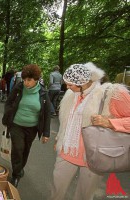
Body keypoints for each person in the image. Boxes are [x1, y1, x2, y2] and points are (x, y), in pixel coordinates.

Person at [51, 62, 130, 200]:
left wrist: (110, 122)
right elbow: (66, 121)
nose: (67, 87)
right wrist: (59, 139)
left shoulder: (111, 94)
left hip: (94, 156)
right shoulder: (70, 94)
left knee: (84, 195)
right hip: (66, 151)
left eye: (70, 84)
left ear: (83, 82)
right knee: (56, 190)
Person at [2, 64, 51, 187]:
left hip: (32, 127)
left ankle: (19, 168)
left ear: (36, 79)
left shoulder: (43, 93)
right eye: (24, 80)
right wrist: (8, 116)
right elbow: (8, 102)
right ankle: (16, 174)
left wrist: (46, 133)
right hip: (16, 125)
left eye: (29, 80)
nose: (26, 83)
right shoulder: (19, 88)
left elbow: (47, 113)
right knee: (18, 149)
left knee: (25, 150)